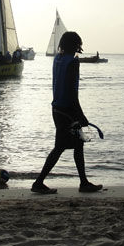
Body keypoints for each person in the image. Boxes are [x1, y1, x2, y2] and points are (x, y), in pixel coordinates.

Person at [32, 31, 103, 194]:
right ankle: (39, 182)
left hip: (56, 108)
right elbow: (72, 92)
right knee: (60, 147)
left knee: (78, 144)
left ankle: (83, 182)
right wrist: (80, 115)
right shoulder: (73, 62)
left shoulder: (57, 59)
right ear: (76, 45)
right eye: (79, 44)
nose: (80, 47)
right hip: (68, 110)